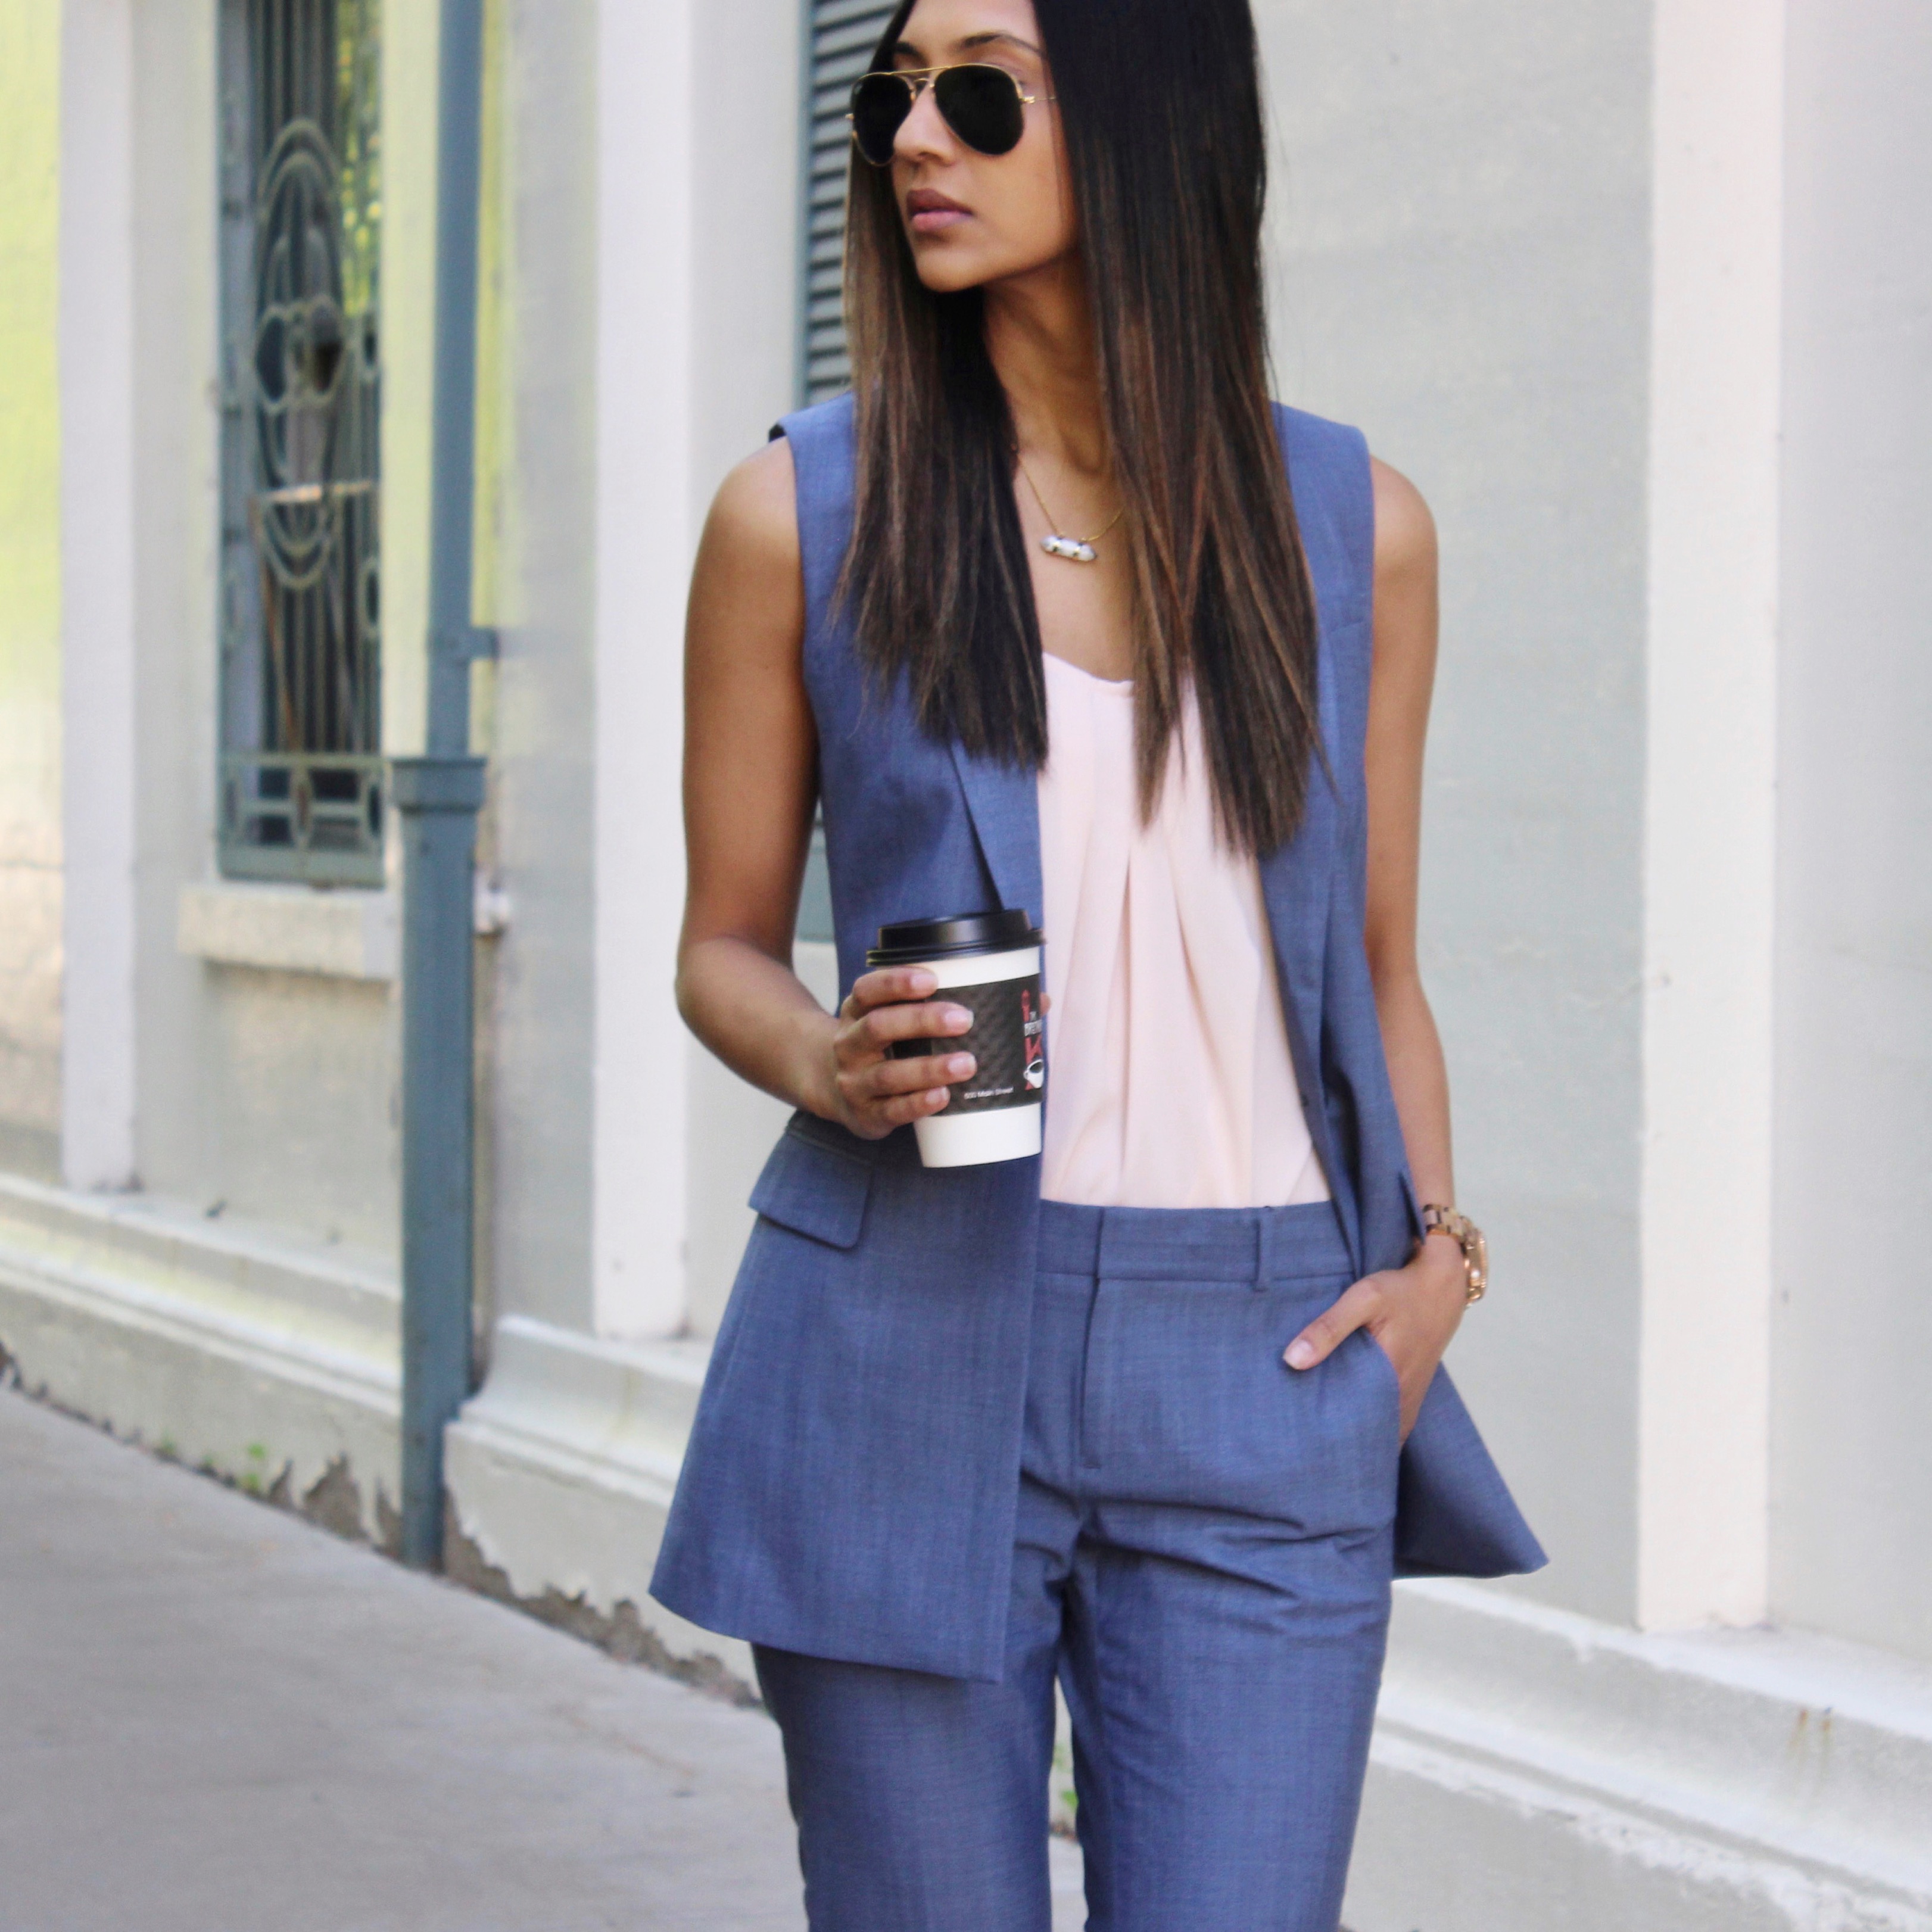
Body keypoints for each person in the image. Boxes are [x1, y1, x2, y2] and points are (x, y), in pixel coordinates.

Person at [652, 0, 1544, 1924]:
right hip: (903, 1335)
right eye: (894, 93)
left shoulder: (1355, 532)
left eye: (980, 92)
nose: (916, 135)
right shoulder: (800, 516)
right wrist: (820, 1057)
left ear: (1150, 116)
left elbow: (1376, 964)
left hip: (1265, 1354)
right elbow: (719, 943)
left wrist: (1435, 1268)